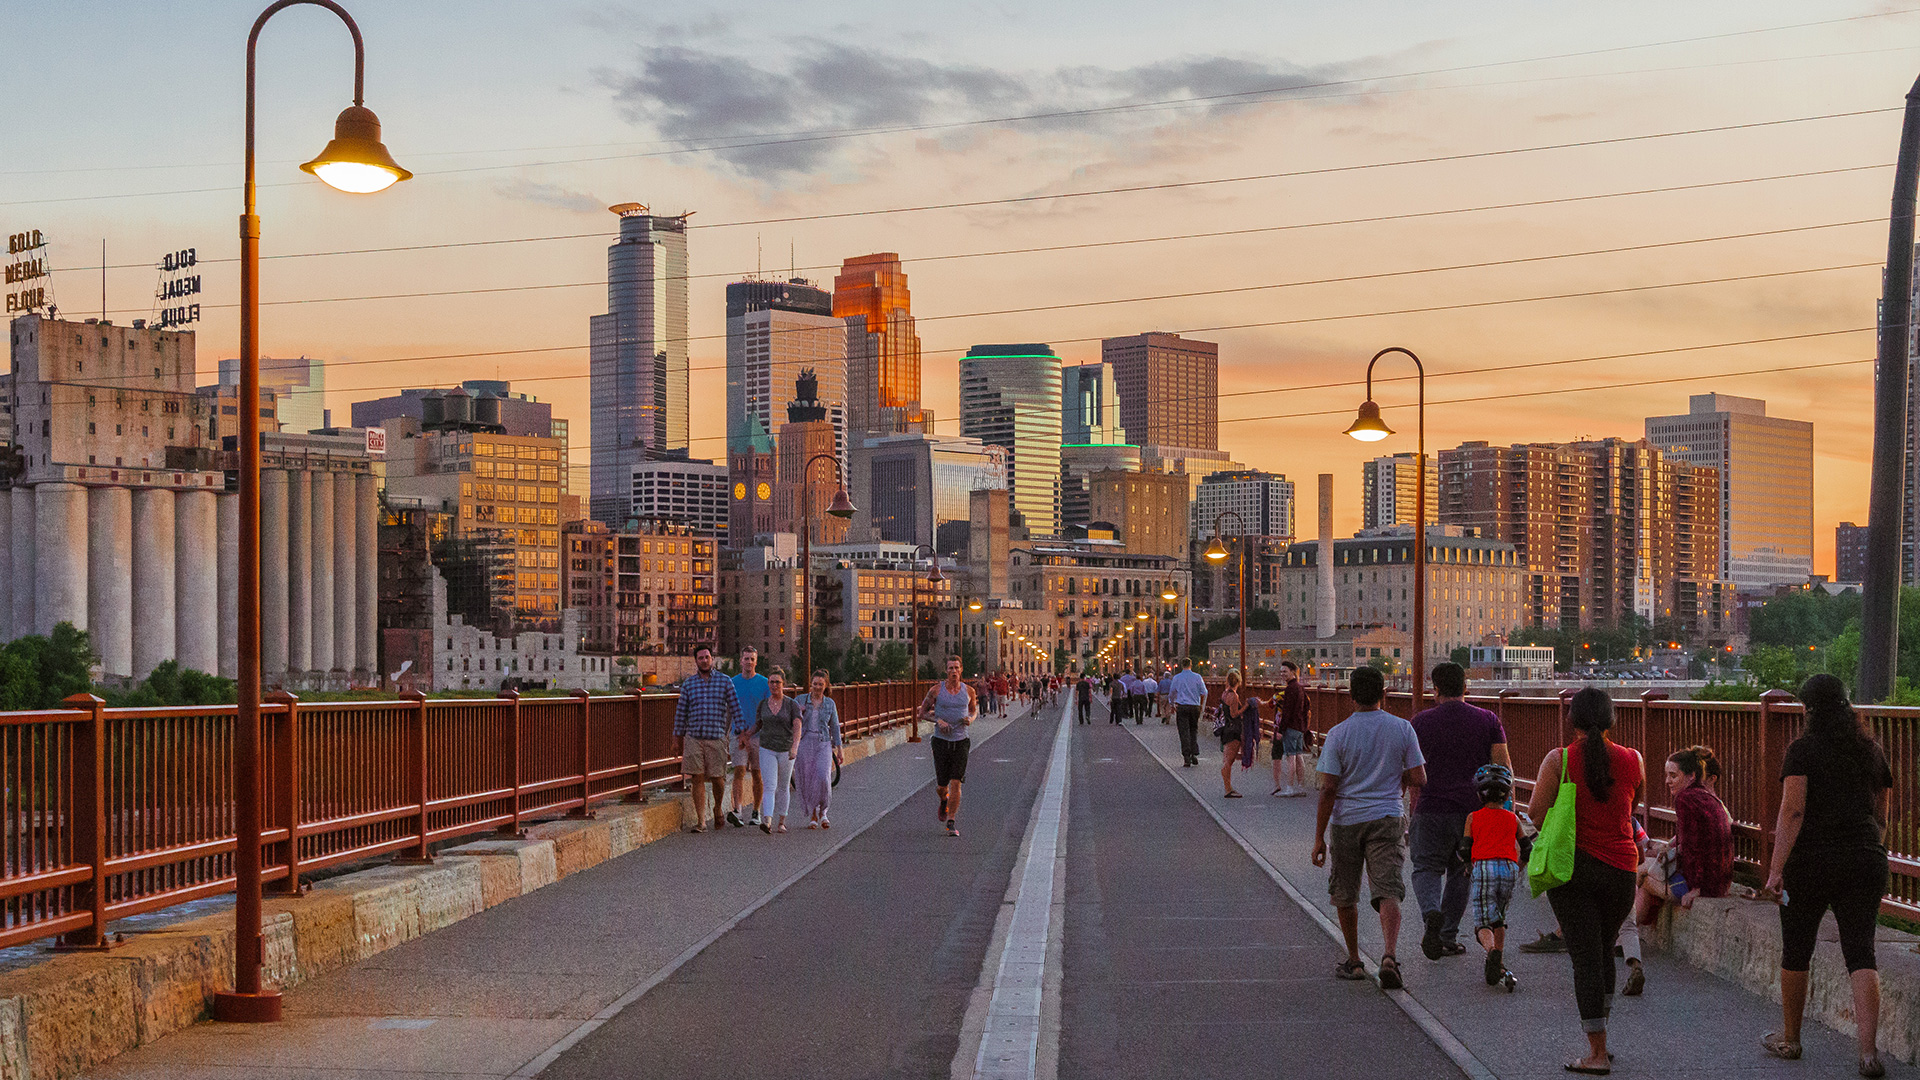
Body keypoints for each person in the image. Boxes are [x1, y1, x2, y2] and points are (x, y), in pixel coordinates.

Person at [1763, 674, 1894, 1078]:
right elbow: (1882, 814)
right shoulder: (1869, 751)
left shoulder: (1801, 751)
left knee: (1797, 948)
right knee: (1861, 951)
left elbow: (1793, 811)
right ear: (1846, 706)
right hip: (1864, 858)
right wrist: (1872, 845)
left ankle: (1790, 1039)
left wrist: (1775, 870)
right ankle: (1868, 1053)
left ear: (1808, 711)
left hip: (1811, 863)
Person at [1528, 687, 1642, 1076]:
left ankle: (1595, 1054)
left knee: (1585, 960)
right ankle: (1602, 1043)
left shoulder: (1558, 760)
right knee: (1604, 949)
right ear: (1612, 720)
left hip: (1574, 870)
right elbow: (1632, 806)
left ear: (1571, 720)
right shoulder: (1633, 760)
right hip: (1623, 871)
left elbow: (1537, 813)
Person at [1311, 666, 1426, 990]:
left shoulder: (1338, 734)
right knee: (1388, 888)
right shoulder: (1402, 729)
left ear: (1350, 696)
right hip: (1388, 817)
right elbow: (1419, 778)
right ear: (1384, 694)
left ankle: (1355, 961)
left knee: (1345, 891)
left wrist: (1319, 838)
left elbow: (1328, 788)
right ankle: (1389, 956)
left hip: (1347, 820)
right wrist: (1398, 778)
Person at [1409, 662, 1511, 962]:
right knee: (1461, 871)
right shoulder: (1487, 719)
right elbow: (1502, 767)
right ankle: (1448, 935)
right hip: (1472, 812)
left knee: (1425, 868)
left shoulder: (1420, 722)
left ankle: (1431, 914)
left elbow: (1411, 769)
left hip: (1429, 807)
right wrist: (1507, 810)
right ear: (1465, 686)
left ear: (1435, 688)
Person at [1624, 744, 1733, 996]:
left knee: (1638, 873)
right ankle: (1627, 938)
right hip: (1722, 880)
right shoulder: (1707, 796)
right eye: (1666, 775)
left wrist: (1697, 888)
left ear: (1691, 776)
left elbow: (1694, 847)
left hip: (1706, 884)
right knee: (1649, 875)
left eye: (1673, 775)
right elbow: (1694, 839)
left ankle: (1622, 936)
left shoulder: (1684, 799)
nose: (1667, 781)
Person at [671, 645, 742, 834]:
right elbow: (680, 713)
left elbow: (735, 708)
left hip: (716, 736)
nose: (704, 660)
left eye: (707, 657)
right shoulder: (689, 684)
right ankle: (701, 821)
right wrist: (677, 739)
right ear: (696, 661)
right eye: (700, 658)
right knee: (697, 777)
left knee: (718, 778)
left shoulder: (725, 681)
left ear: (712, 659)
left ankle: (717, 808)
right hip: (694, 736)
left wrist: (742, 734)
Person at [1463, 763, 1521, 992]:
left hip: (1484, 867)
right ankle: (1500, 960)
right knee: (1499, 916)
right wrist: (1519, 866)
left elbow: (1464, 849)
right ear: (1507, 794)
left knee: (1481, 922)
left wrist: (1467, 866)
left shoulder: (1473, 817)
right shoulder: (1513, 818)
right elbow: (1526, 846)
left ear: (1479, 794)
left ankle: (1492, 952)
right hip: (1509, 867)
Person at [922, 655, 979, 837]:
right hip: (941, 742)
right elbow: (922, 713)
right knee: (941, 785)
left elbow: (973, 710)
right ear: (945, 671)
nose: (953, 671)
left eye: (956, 668)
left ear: (961, 670)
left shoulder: (969, 691)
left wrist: (970, 719)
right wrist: (938, 721)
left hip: (961, 741)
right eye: (950, 668)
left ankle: (951, 821)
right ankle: (943, 800)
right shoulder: (936, 691)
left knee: (956, 782)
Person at [749, 668, 804, 834]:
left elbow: (797, 727)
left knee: (783, 785)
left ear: (783, 684)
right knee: (769, 785)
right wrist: (747, 735)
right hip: (767, 747)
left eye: (777, 682)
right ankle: (767, 820)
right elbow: (759, 724)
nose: (774, 685)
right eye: (771, 682)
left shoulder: (791, 705)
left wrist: (795, 747)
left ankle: (782, 821)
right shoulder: (763, 704)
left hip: (786, 749)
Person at [793, 670, 844, 829]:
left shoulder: (830, 703)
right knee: (808, 779)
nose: (817, 687)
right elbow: (790, 719)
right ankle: (813, 814)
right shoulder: (800, 700)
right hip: (805, 741)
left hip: (823, 742)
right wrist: (798, 713)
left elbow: (834, 726)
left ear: (826, 685)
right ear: (811, 684)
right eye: (815, 684)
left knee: (823, 777)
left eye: (821, 684)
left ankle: (824, 811)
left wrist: (840, 748)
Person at [728, 648, 770, 828]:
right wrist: (725, 733)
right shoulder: (732, 682)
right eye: (746, 659)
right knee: (738, 770)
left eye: (752, 659)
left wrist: (753, 732)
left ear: (756, 661)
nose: (749, 662)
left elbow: (767, 711)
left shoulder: (764, 683)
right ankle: (737, 810)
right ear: (740, 661)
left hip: (757, 735)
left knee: (757, 773)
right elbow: (728, 710)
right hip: (737, 735)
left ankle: (756, 811)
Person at [1272, 660, 1313, 796]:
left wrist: (1280, 730)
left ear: (1292, 672)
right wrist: (1304, 725)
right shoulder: (1300, 687)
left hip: (1291, 727)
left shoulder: (1290, 689)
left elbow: (1287, 712)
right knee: (1299, 756)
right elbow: (1307, 706)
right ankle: (1300, 786)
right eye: (1281, 672)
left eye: (1285, 671)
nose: (1282, 674)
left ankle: (1290, 787)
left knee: (1290, 757)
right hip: (1300, 727)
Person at [1218, 670, 1255, 798]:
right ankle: (1228, 789)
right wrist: (1245, 706)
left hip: (1226, 729)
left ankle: (1228, 787)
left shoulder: (1224, 694)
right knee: (1228, 760)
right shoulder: (1233, 695)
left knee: (1227, 759)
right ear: (1238, 681)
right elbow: (1234, 714)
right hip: (1233, 730)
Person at [1169, 656, 1208, 767]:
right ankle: (1194, 754)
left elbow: (1171, 693)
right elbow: (1204, 692)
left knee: (1183, 731)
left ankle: (1186, 756)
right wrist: (1202, 707)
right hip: (1194, 706)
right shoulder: (1197, 677)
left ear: (1182, 665)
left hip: (1182, 706)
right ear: (1191, 665)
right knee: (1193, 730)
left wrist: (1172, 703)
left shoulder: (1177, 678)